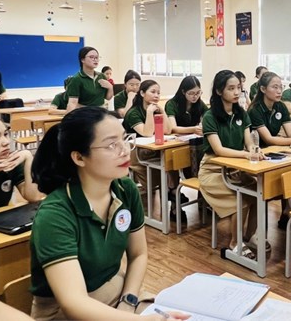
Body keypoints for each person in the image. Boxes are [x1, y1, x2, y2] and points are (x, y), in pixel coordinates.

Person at [29, 107, 187, 321]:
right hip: (67, 312)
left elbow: (138, 254)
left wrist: (128, 301)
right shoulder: (55, 214)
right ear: (79, 157)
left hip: (118, 293)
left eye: (125, 139)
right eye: (111, 145)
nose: (125, 150)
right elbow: (74, 303)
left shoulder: (125, 189)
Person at [198, 70, 262, 258]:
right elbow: (218, 150)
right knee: (239, 199)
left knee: (259, 192)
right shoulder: (210, 116)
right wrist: (246, 155)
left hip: (235, 168)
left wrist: (254, 150)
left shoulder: (241, 113)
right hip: (213, 170)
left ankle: (249, 236)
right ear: (219, 91)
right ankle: (235, 243)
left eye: (238, 88)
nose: (236, 92)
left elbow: (249, 141)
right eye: (231, 88)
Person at [248, 71, 291, 232]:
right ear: (263, 89)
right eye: (275, 87)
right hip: (258, 153)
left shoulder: (280, 106)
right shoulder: (255, 110)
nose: (279, 91)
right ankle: (261, 226)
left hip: (274, 150)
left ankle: (287, 214)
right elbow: (268, 139)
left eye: (281, 87)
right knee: (283, 175)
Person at [123, 80, 181, 218]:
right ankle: (164, 194)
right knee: (160, 171)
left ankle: (172, 191)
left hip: (152, 150)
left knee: (173, 159)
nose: (156, 95)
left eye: (158, 93)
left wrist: (163, 112)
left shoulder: (156, 110)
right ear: (142, 93)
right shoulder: (133, 113)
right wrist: (149, 113)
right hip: (134, 152)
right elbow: (147, 133)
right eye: (153, 92)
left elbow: (168, 130)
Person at [0, 114, 43, 209]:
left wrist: (28, 157)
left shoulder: (11, 161)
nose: (6, 142)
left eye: (5, 134)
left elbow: (34, 197)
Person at [66, 47, 113, 112]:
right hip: (85, 113)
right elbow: (72, 103)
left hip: (101, 112)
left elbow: (108, 97)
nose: (95, 60)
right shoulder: (76, 79)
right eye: (91, 57)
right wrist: (69, 117)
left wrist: (110, 87)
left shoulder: (101, 76)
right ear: (83, 60)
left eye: (97, 57)